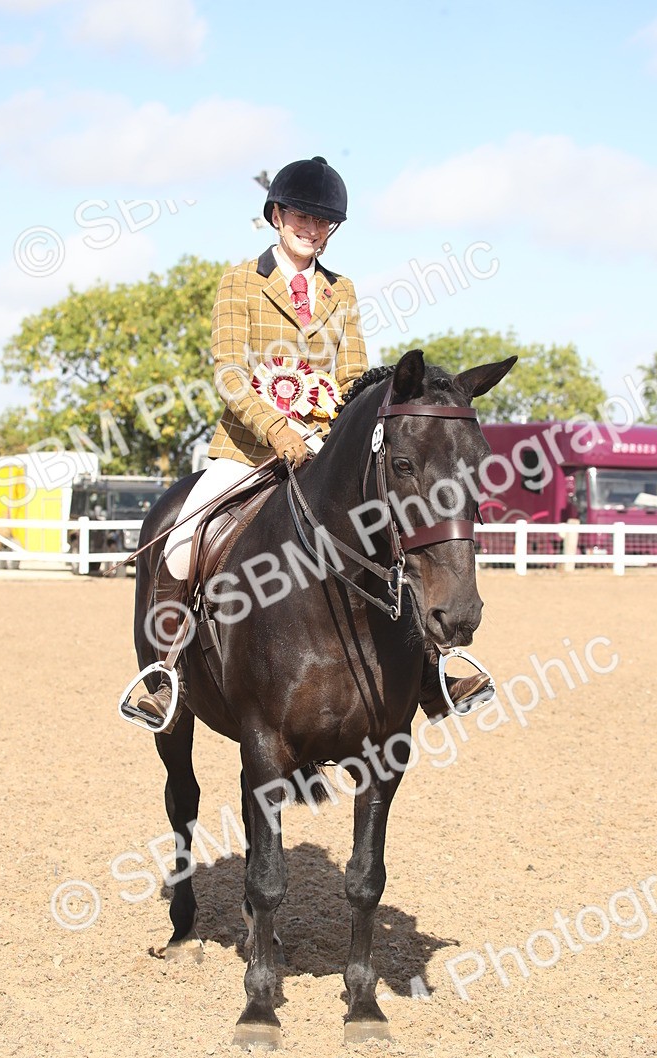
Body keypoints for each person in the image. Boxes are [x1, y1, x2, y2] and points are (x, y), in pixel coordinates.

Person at [133, 155, 490, 729]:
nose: (310, 227)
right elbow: (228, 371)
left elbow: (354, 378)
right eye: (301, 214)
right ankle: (165, 674)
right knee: (182, 540)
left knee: (390, 530)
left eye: (322, 220)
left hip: (324, 452)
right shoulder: (240, 282)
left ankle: (434, 667)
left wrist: (334, 425)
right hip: (248, 451)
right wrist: (276, 428)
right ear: (277, 214)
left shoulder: (341, 291)